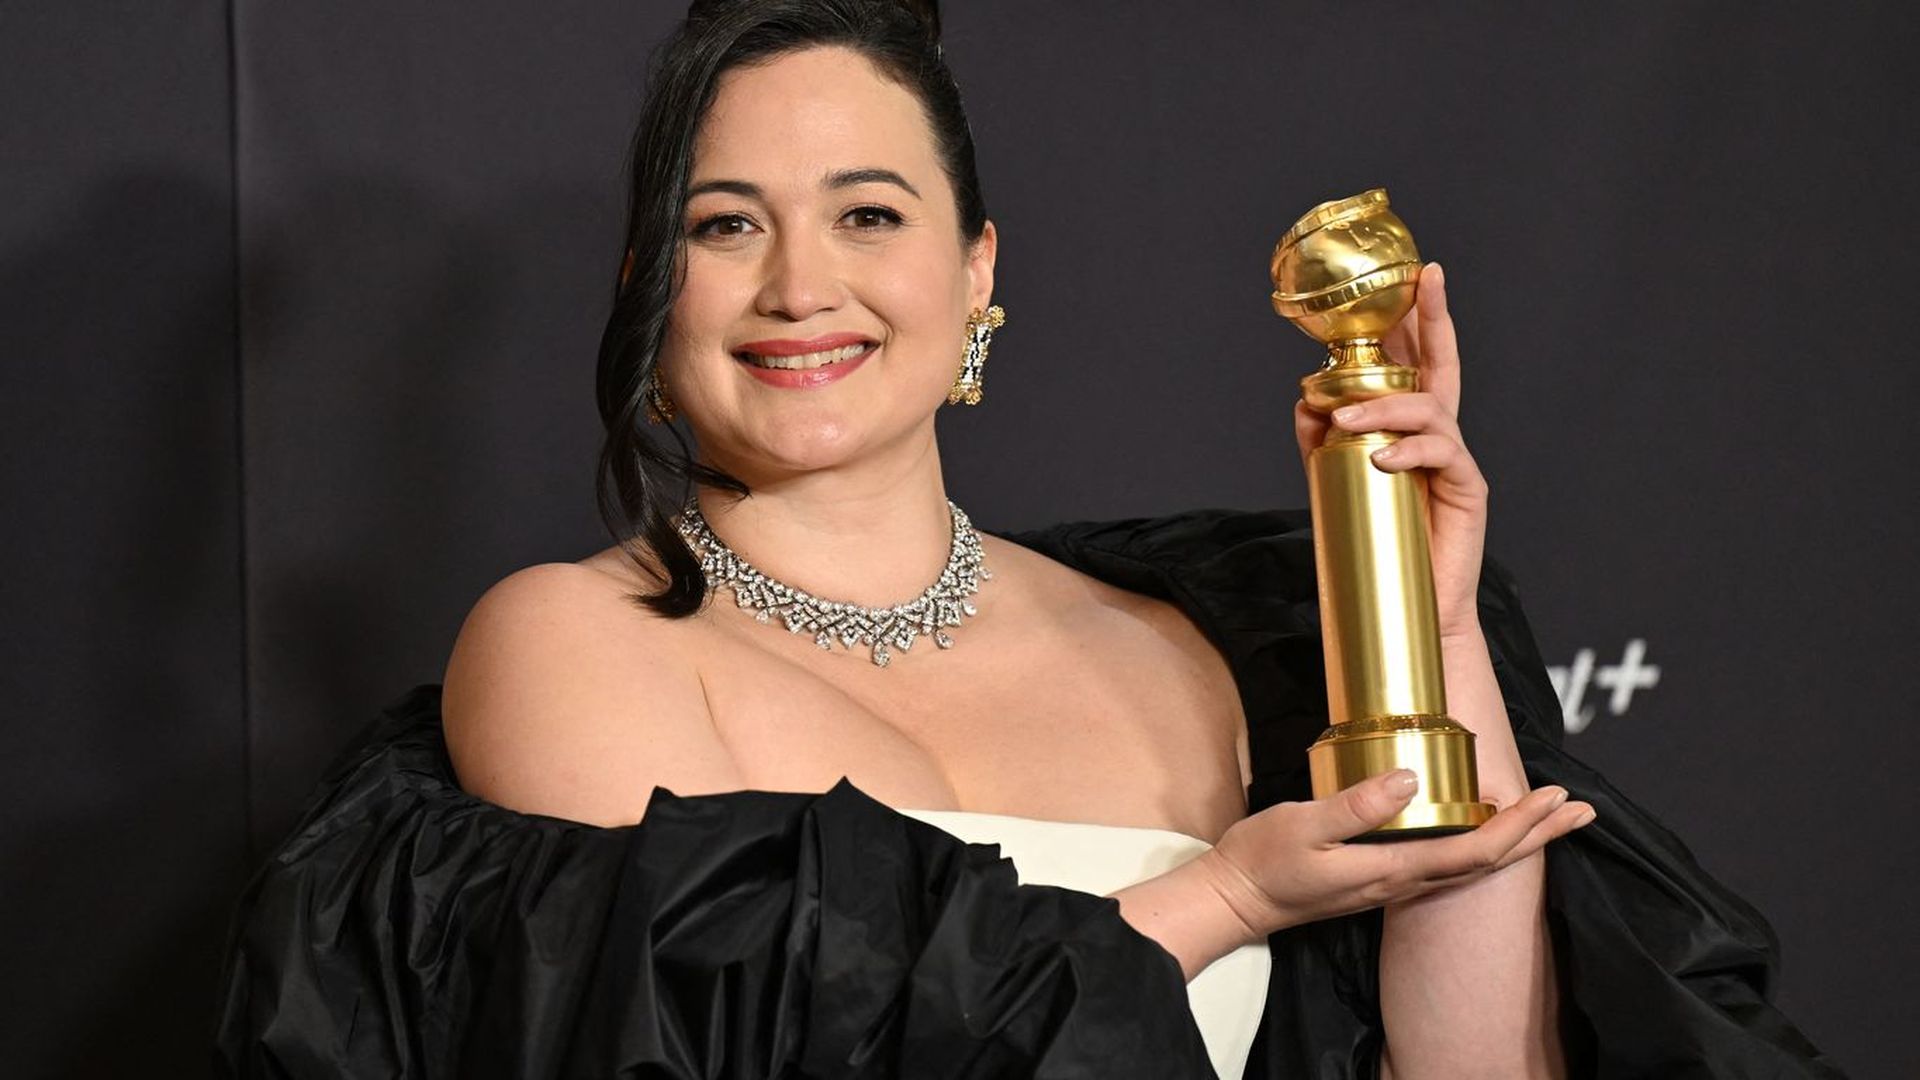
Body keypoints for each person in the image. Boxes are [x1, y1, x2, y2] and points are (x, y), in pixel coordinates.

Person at [213, 2, 1843, 1077]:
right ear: (651, 291)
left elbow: (1473, 1070)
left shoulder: (1192, 638)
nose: (801, 285)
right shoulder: (574, 645)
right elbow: (755, 1049)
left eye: (869, 214)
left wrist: (1427, 621)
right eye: (726, 226)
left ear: (976, 271)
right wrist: (1222, 901)